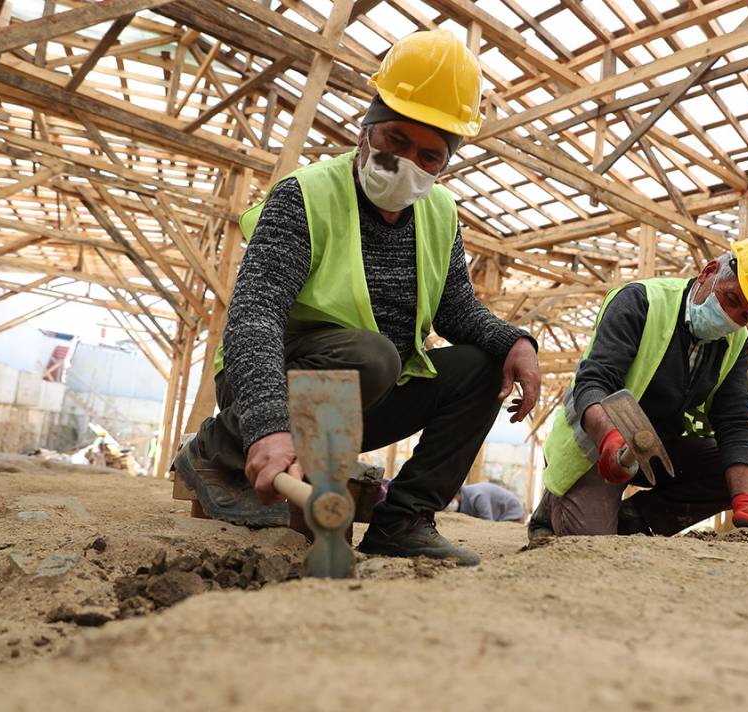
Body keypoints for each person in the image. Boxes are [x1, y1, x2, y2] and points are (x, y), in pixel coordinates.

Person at [173, 31, 540, 567]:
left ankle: (403, 521)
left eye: (428, 155)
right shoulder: (306, 194)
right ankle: (218, 446)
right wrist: (268, 423)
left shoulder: (439, 212)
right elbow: (255, 316)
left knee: (482, 366)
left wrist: (515, 342)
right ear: (365, 130)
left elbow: (456, 310)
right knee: (373, 355)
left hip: (362, 398)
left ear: (445, 162)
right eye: (395, 140)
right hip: (273, 382)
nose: (406, 162)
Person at [529, 235, 748, 539]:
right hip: (600, 441)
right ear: (708, 272)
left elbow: (735, 416)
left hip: (658, 446)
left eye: (745, 316)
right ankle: (550, 509)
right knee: (590, 540)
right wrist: (608, 438)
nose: (731, 317)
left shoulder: (735, 340)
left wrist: (745, 499)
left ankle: (633, 518)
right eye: (731, 299)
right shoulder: (640, 301)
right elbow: (595, 381)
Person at [449, 482, 525, 522]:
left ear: (458, 493)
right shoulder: (464, 501)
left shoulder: (478, 497)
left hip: (515, 515)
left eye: (451, 498)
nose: (450, 502)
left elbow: (487, 523)